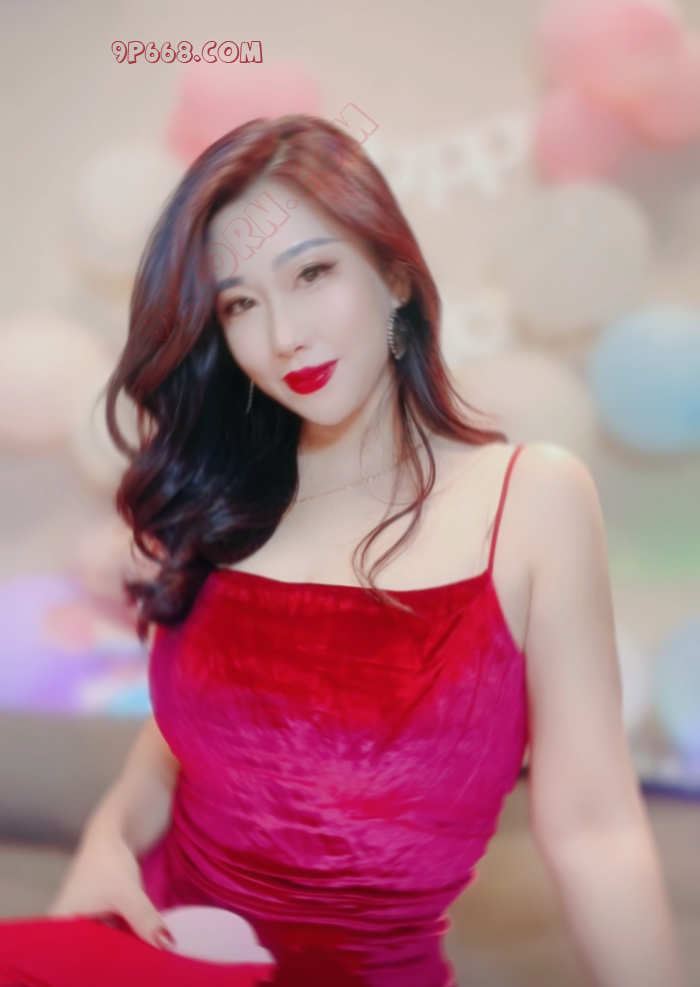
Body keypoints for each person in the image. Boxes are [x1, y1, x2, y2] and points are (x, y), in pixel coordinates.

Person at [0, 115, 687, 987]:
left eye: (312, 273)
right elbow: (181, 740)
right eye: (240, 303)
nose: (283, 334)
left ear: (394, 273)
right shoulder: (227, 501)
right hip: (151, 950)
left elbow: (595, 826)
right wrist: (105, 845)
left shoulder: (533, 499)